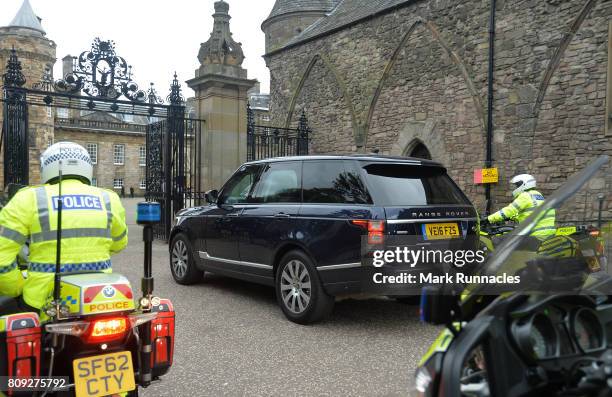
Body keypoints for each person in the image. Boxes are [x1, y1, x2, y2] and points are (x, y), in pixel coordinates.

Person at [0, 142, 128, 312]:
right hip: (97, 296)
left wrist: (16, 286)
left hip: (44, 300)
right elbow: (119, 243)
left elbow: (2, 255)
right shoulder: (108, 198)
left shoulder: (29, 198)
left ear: (47, 167)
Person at [484, 174, 556, 239]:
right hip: (548, 234)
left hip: (534, 235)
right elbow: (529, 212)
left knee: (496, 240)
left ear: (524, 184)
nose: (515, 187)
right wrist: (511, 217)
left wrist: (488, 219)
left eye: (517, 185)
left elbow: (509, 210)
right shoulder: (538, 195)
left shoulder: (525, 196)